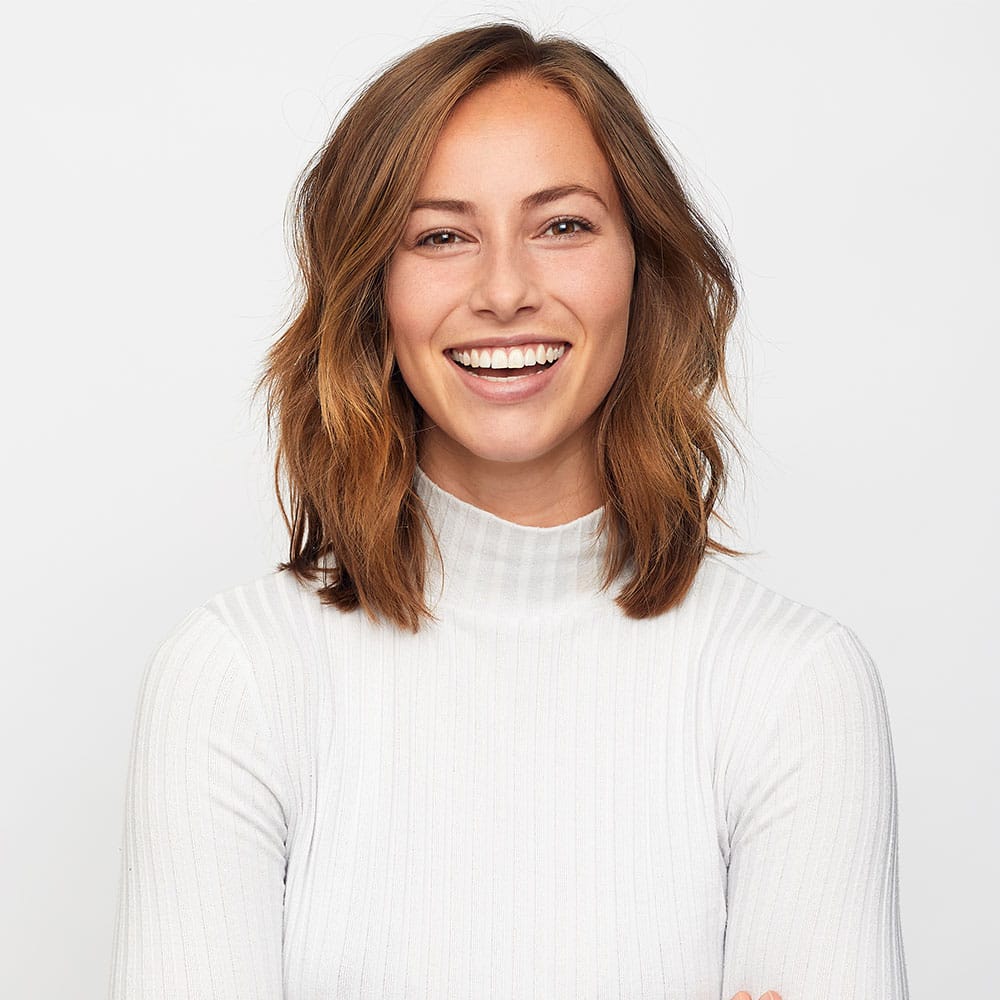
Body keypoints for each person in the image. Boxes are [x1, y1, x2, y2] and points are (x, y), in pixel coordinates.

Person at [109, 22, 908, 1000]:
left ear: (641, 263)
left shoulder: (793, 687)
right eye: (440, 236)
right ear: (374, 292)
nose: (503, 291)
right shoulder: (234, 679)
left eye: (562, 225)